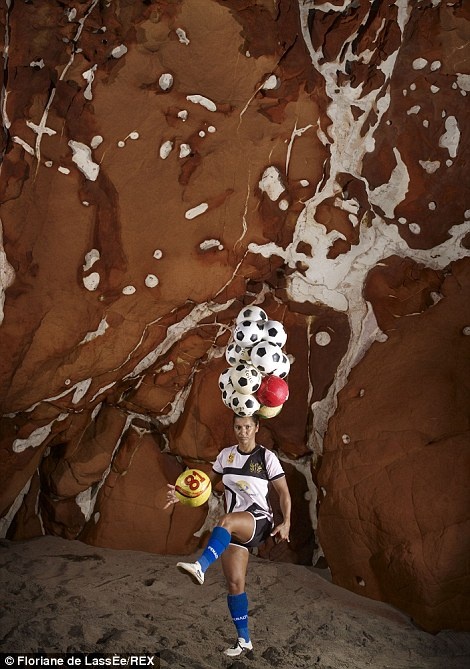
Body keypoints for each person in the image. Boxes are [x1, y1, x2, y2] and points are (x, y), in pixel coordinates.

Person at [164, 413, 291, 657]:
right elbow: (205, 485)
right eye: (238, 427)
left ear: (257, 427)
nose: (243, 432)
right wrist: (181, 495)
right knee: (234, 583)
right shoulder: (226, 456)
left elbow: (284, 492)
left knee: (225, 520)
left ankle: (200, 566)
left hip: (259, 520)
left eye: (247, 427)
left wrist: (287, 522)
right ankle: (244, 640)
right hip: (234, 527)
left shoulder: (266, 457)